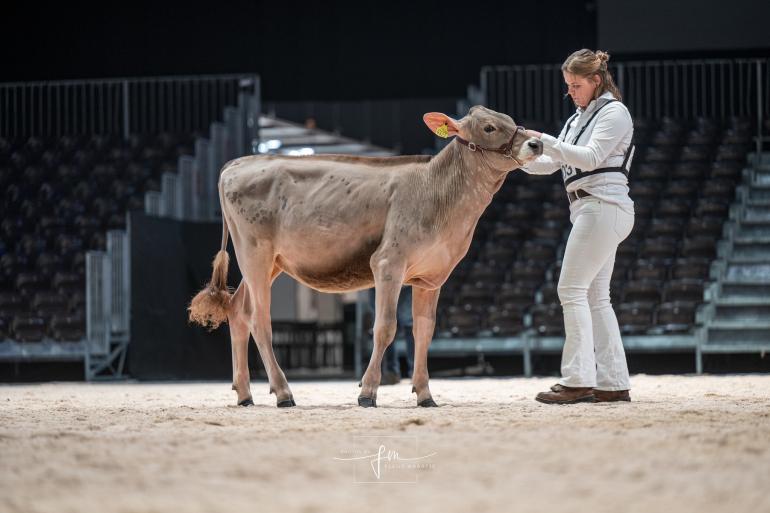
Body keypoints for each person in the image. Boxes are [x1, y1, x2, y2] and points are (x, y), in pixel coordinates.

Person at [519, 49, 635, 404]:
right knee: (597, 298)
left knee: (571, 290)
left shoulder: (614, 112)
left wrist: (545, 140)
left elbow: (589, 158)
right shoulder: (577, 119)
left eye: (576, 85)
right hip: (591, 209)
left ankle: (578, 379)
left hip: (603, 206)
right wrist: (514, 157)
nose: (571, 91)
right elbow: (551, 163)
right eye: (568, 85)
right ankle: (613, 382)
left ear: (596, 81)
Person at [367, 286, 415, 385]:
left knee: (408, 325)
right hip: (377, 282)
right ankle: (394, 372)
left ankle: (412, 372)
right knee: (384, 326)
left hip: (399, 281)